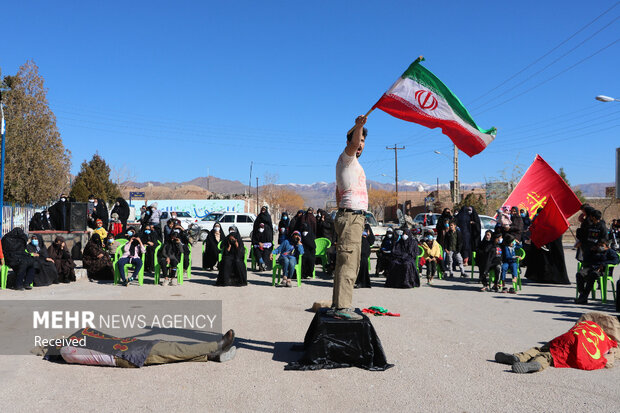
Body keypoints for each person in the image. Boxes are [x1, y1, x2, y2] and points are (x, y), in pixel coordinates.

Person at [494, 312, 620, 373]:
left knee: (543, 348)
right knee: (551, 356)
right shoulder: (609, 342)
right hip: (580, 347)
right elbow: (610, 355)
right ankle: (537, 363)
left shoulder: (590, 324)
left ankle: (519, 357)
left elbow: (577, 326)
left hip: (571, 337)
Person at [331, 115, 368, 320]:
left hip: (352, 217)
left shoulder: (352, 165)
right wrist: (359, 126)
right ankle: (343, 308)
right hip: (351, 218)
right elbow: (353, 142)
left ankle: (338, 305)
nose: (360, 144)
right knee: (349, 263)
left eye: (363, 141)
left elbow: (338, 192)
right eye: (358, 140)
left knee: (345, 261)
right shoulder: (347, 157)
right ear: (349, 141)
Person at [44, 328, 236, 368]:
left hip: (129, 346)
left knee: (170, 354)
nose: (62, 340)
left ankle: (211, 356)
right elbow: (98, 355)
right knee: (173, 349)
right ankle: (216, 345)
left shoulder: (72, 345)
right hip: (126, 355)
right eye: (57, 342)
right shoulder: (68, 352)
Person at [575, 239, 620, 304]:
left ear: (607, 246)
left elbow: (616, 261)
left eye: (602, 245)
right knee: (579, 274)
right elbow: (585, 260)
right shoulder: (595, 251)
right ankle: (582, 293)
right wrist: (589, 251)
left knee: (593, 275)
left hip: (602, 270)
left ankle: (584, 297)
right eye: (598, 245)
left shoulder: (610, 251)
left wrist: (604, 264)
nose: (599, 247)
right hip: (591, 267)